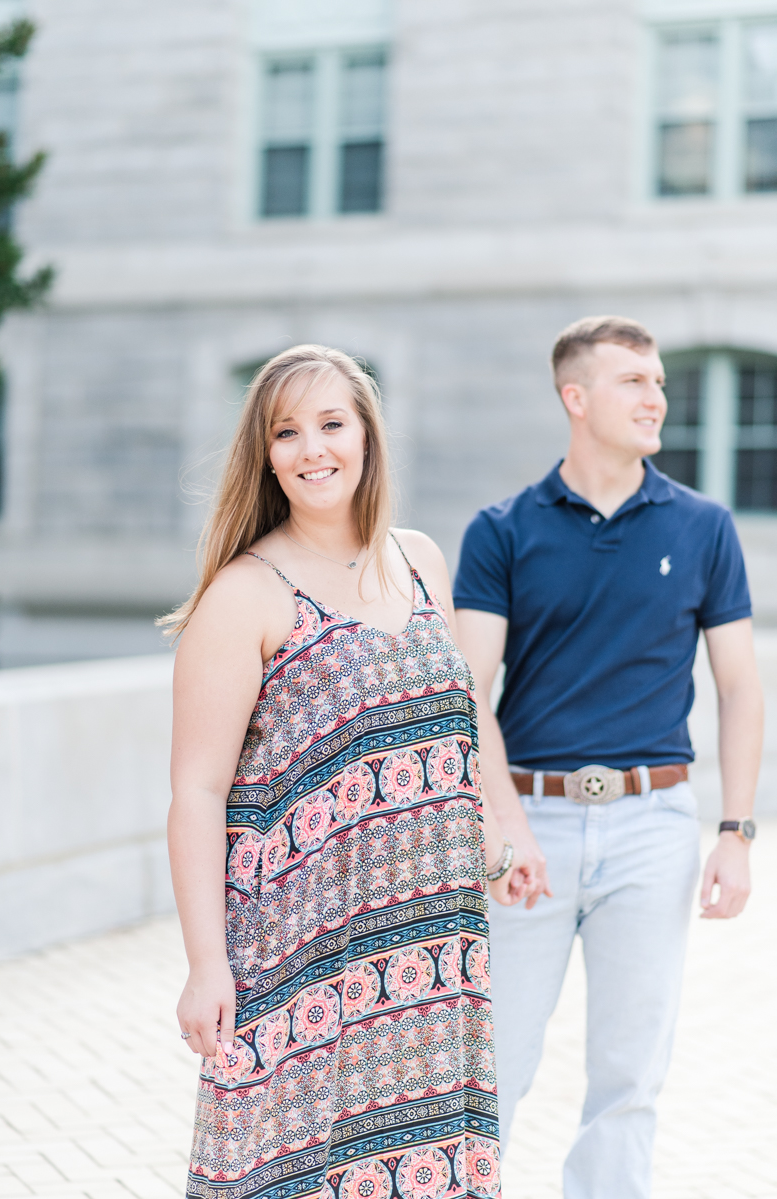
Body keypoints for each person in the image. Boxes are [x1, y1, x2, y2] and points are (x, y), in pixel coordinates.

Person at [164, 344, 513, 1199]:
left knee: (424, 1163)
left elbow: (464, 716)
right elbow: (196, 791)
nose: (312, 448)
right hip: (300, 951)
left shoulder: (422, 559)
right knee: (293, 1170)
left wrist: (495, 831)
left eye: (331, 423)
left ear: (367, 435)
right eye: (288, 432)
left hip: (433, 943)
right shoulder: (247, 593)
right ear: (266, 453)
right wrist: (206, 964)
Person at [453, 316, 763, 1199]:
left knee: (630, 1078)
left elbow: (740, 687)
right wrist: (504, 828)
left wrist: (735, 832)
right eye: (634, 381)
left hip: (653, 825)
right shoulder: (502, 529)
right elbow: (470, 689)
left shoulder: (703, 526)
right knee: (493, 1066)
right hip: (528, 825)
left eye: (659, 381)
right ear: (575, 397)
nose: (656, 397)